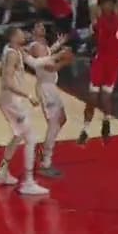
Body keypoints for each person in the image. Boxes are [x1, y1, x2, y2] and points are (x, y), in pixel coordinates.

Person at [0, 28, 49, 196]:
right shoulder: (12, 55)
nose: (23, 34)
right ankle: (29, 183)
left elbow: (34, 60)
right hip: (11, 101)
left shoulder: (12, 50)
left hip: (7, 100)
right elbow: (8, 81)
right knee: (30, 137)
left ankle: (2, 173)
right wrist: (29, 95)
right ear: (13, 37)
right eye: (20, 33)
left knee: (18, 136)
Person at [27, 21, 72, 177]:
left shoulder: (42, 45)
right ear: (33, 31)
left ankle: (45, 147)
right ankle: (46, 162)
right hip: (46, 88)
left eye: (43, 26)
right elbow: (48, 65)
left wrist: (58, 45)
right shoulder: (35, 46)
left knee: (62, 119)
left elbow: (47, 54)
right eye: (38, 26)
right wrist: (64, 59)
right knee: (54, 123)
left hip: (50, 86)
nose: (42, 27)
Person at [79, 0, 118, 145]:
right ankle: (85, 130)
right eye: (104, 4)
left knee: (105, 98)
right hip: (101, 61)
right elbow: (92, 5)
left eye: (110, 4)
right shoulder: (98, 21)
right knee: (91, 99)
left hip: (113, 64)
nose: (107, 7)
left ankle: (106, 125)